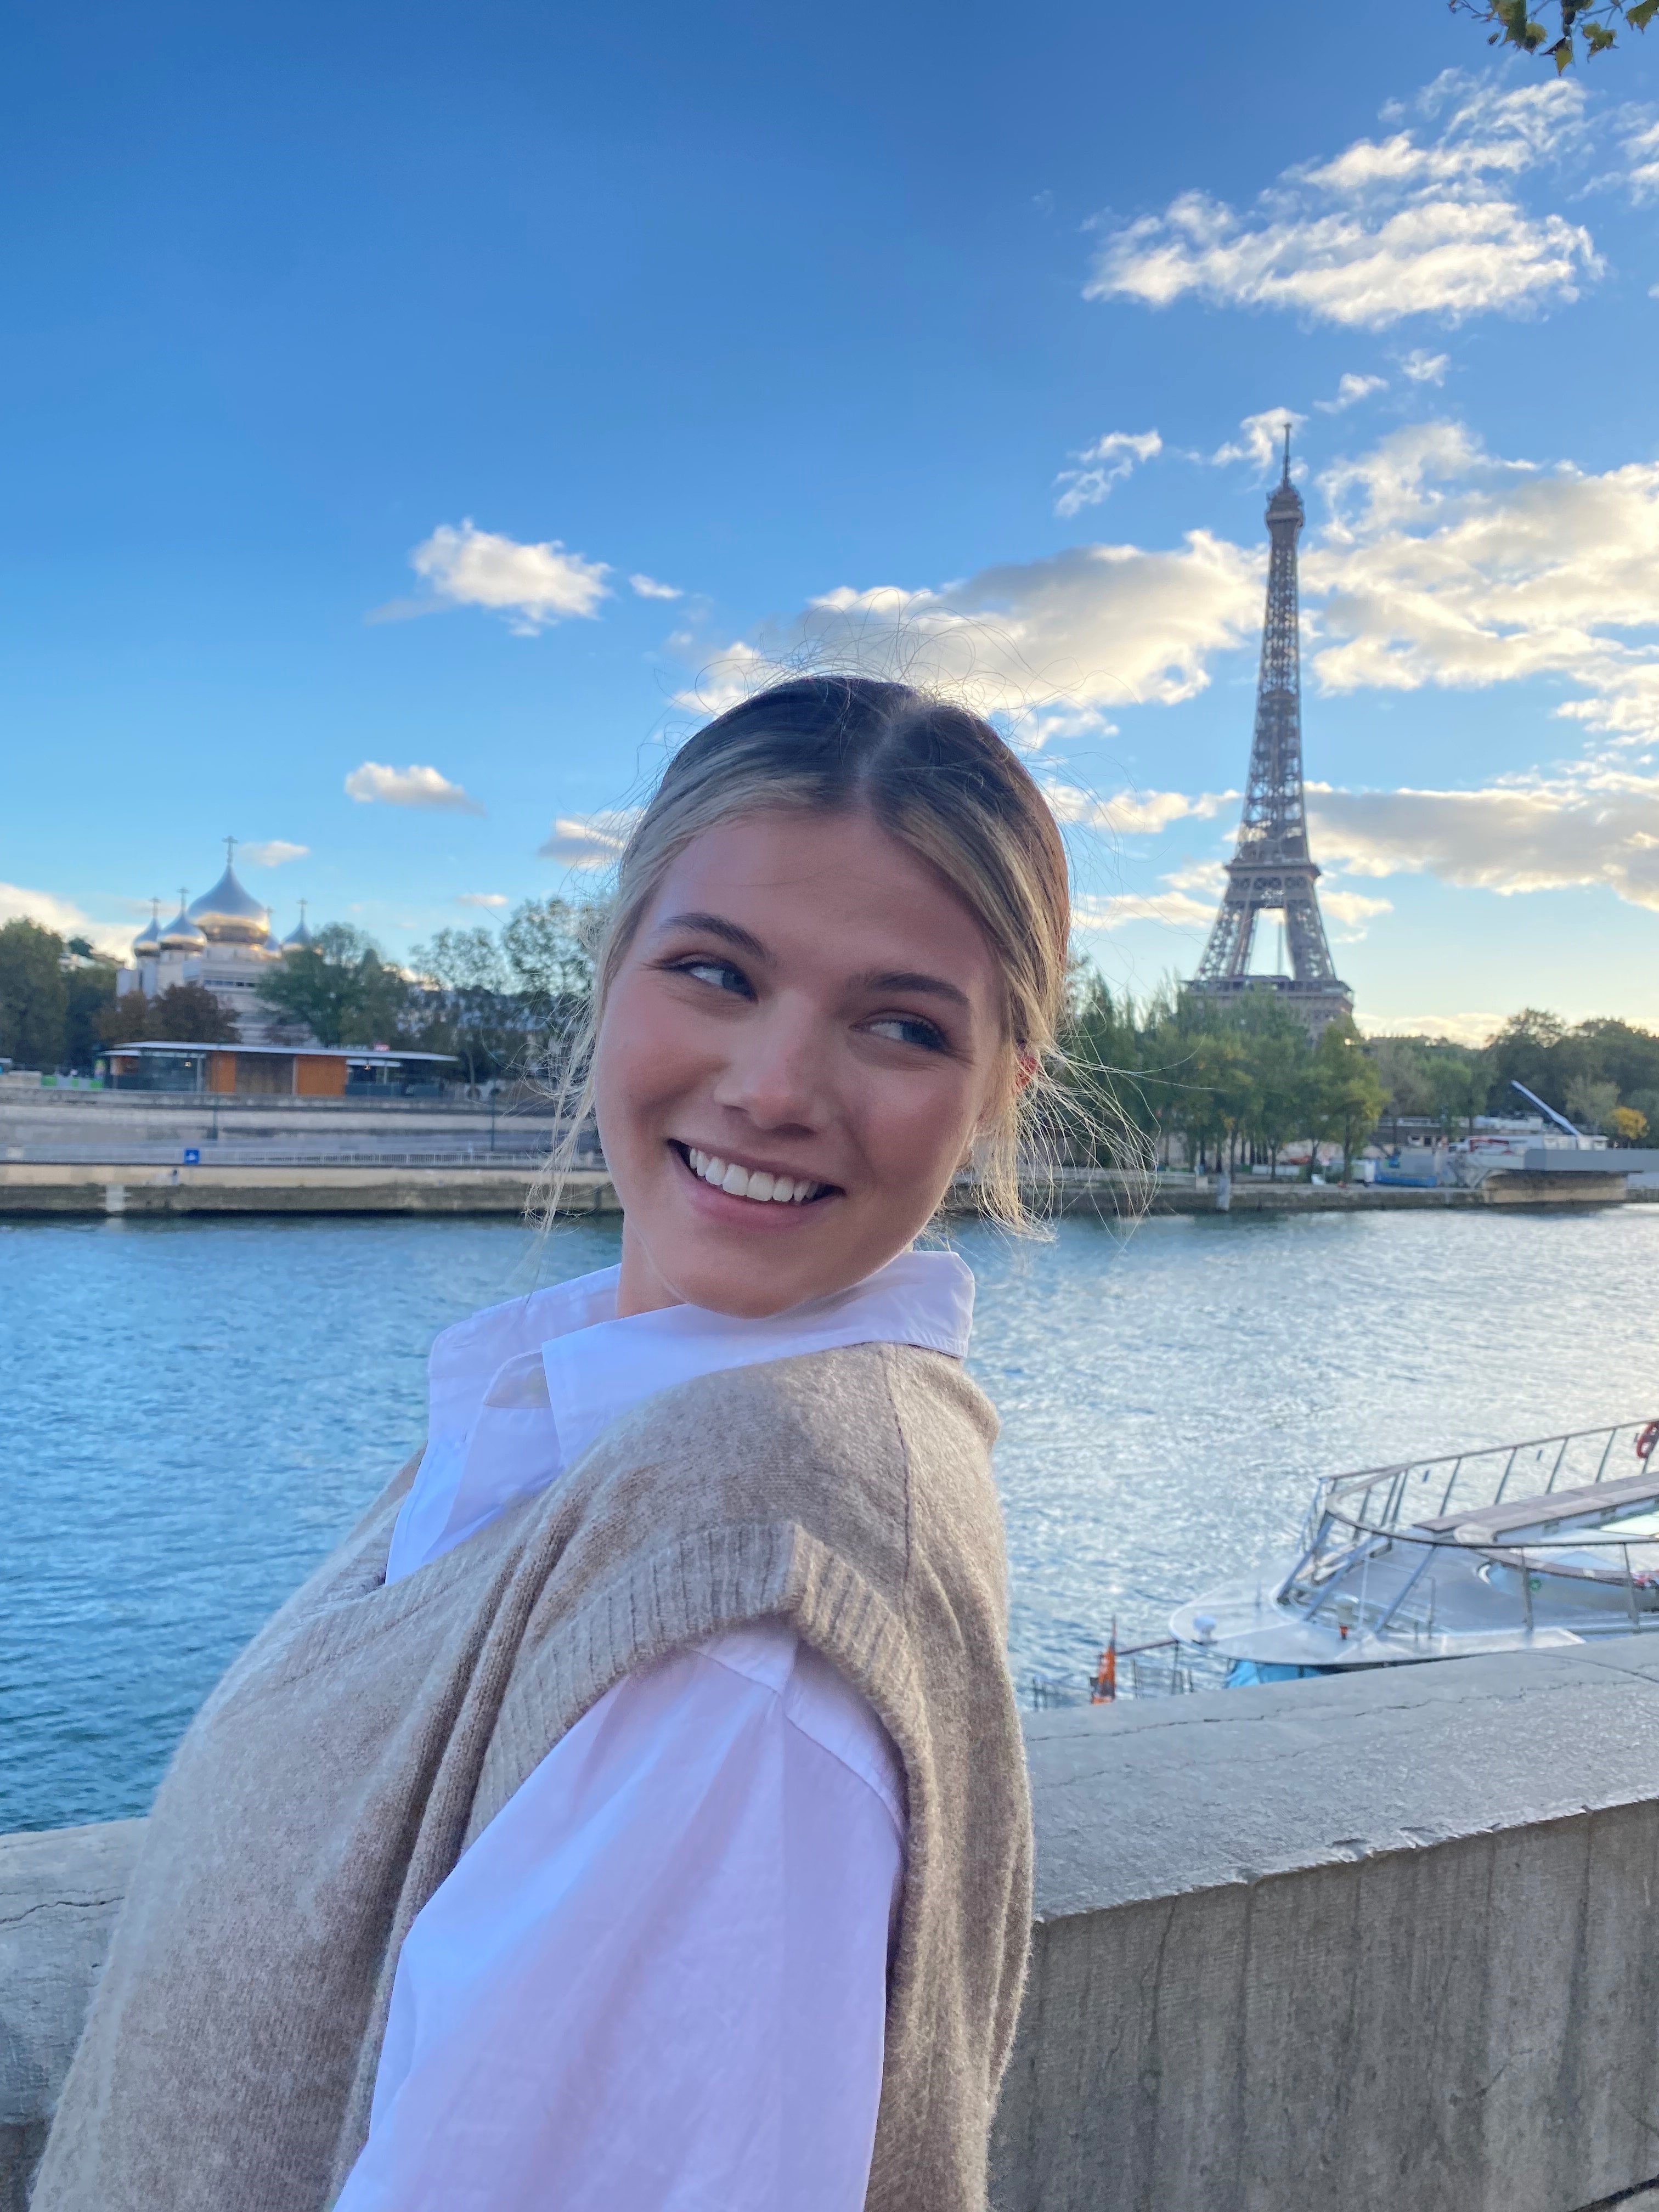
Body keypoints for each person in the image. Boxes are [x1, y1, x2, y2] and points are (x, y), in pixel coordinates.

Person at [33, 673, 1073, 2212]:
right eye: (716, 973)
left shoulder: (742, 1603)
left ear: (998, 1094)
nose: (775, 1088)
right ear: (611, 975)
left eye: (902, 1025)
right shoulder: (610, 1422)